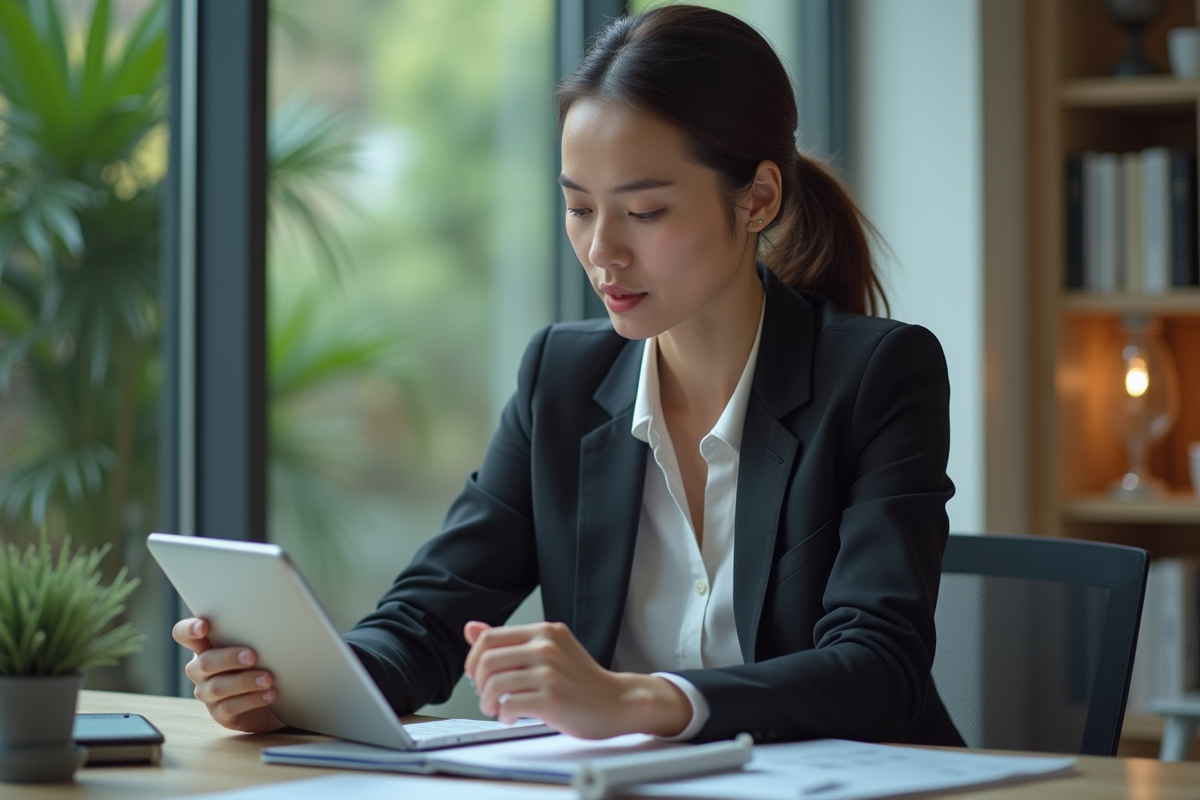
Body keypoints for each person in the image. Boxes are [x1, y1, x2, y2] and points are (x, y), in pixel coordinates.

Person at [174, 4, 964, 747]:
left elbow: (879, 668)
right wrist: (296, 685)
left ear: (757, 198)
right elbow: (428, 617)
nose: (602, 252)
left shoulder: (880, 375)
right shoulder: (563, 376)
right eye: (580, 208)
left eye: (645, 212)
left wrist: (639, 699)